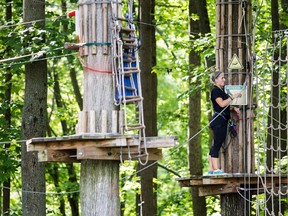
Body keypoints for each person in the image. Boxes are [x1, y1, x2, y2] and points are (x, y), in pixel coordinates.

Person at [208, 71, 241, 175]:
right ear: (216, 79)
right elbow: (221, 104)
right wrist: (233, 97)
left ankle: (211, 169)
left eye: (224, 78)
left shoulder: (220, 91)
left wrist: (233, 108)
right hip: (218, 120)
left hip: (221, 120)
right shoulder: (215, 91)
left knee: (215, 144)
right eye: (222, 78)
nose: (224, 80)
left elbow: (225, 105)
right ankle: (216, 169)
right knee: (217, 144)